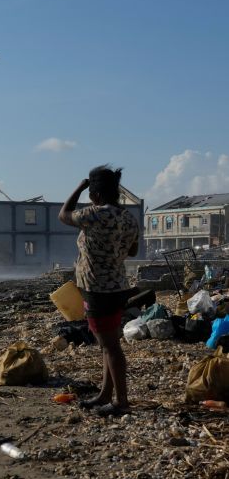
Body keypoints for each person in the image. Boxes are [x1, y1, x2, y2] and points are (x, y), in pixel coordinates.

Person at [58, 166, 139, 417]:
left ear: (96, 195)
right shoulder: (128, 217)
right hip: (118, 287)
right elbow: (134, 251)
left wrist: (79, 187)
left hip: (97, 289)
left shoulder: (93, 214)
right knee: (109, 344)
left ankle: (121, 402)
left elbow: (63, 215)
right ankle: (106, 394)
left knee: (111, 348)